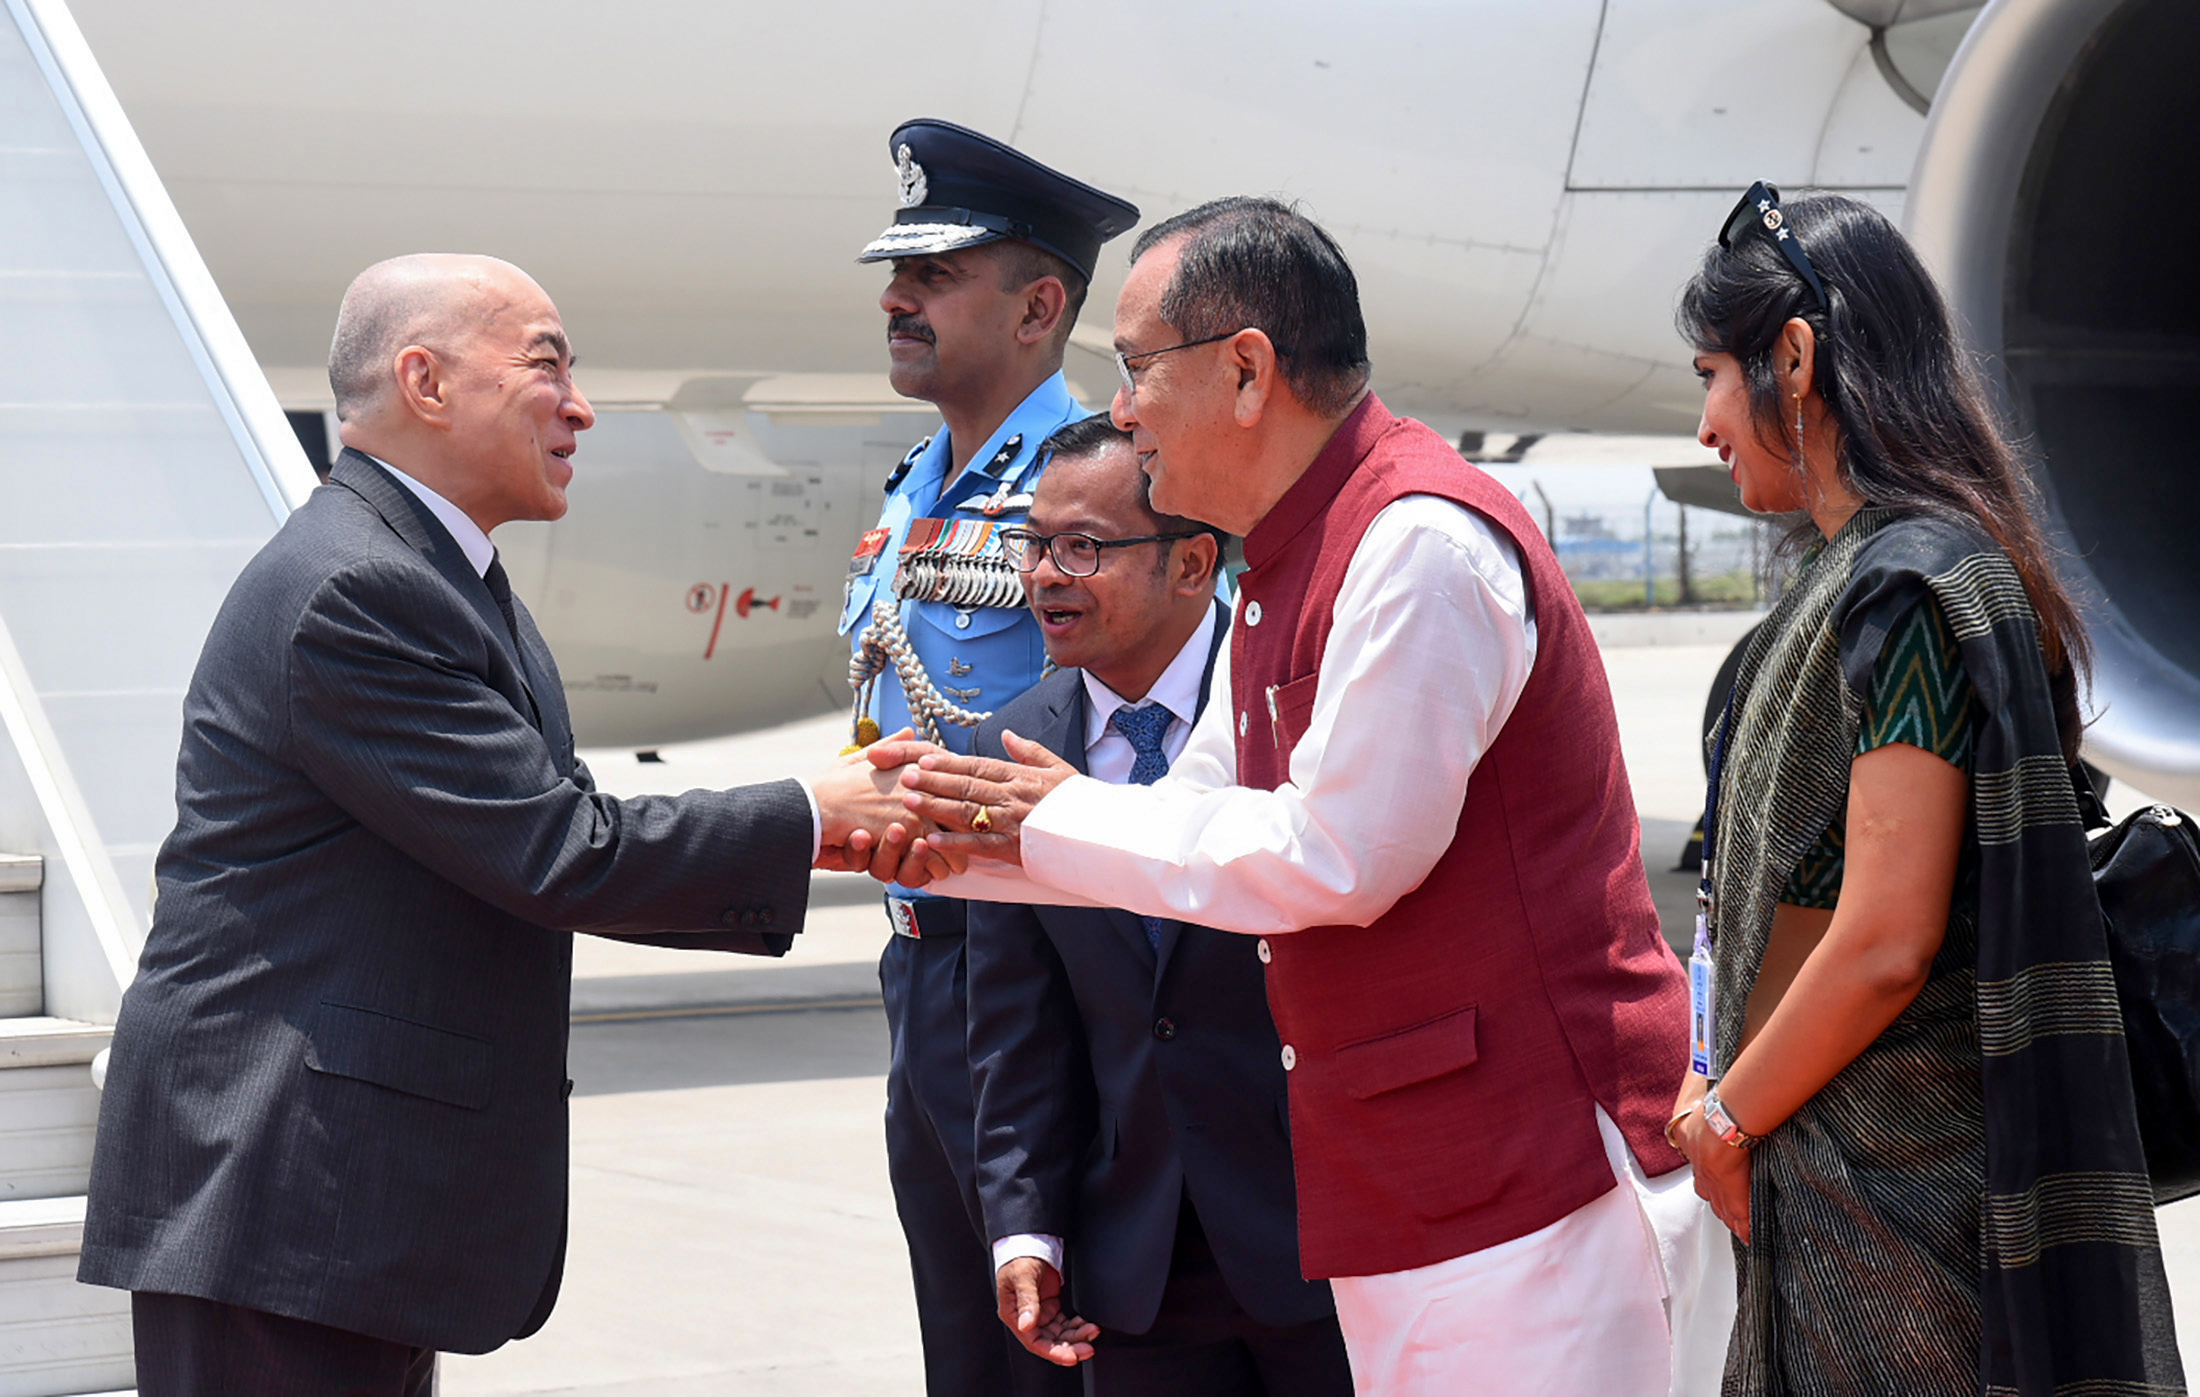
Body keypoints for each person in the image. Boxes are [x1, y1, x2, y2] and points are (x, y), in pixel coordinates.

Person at [879, 198, 1726, 1396]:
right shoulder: (1295, 555)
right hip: (1408, 1191)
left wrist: (1039, 821)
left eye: (1134, 369)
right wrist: (949, 844)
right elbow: (1203, 803)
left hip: (1526, 1190)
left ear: (1243, 371)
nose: (1118, 409)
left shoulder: (1416, 543)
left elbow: (1339, 853)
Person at [76, 254, 913, 1396]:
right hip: (281, 1194)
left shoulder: (433, 570)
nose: (579, 406)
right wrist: (816, 814)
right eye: (546, 366)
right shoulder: (360, 588)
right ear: (423, 381)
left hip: (340, 1203)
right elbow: (555, 848)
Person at [1666, 184, 2184, 1393]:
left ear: (1790, 358)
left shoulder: (1908, 591)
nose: (1703, 424)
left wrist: (1730, 1118)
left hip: (1907, 1212)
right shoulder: (1871, 577)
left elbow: (1886, 936)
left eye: (1709, 374)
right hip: (1850, 1178)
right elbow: (1796, 886)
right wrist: (1713, 1082)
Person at [840, 118, 1139, 1397]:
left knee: (1062, 1341)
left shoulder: (1100, 491)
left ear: (1039, 307)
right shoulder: (918, 482)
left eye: (936, 276)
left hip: (1048, 967)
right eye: (897, 277)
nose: (898, 300)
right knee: (962, 1345)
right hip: (925, 961)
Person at [967, 414, 1354, 1396]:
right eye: (1034, 544)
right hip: (1133, 1267)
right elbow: (1017, 1024)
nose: (1045, 573)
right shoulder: (1005, 751)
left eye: (1084, 546)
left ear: (1191, 563)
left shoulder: (1296, 706)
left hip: (1325, 1240)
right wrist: (1025, 1224)